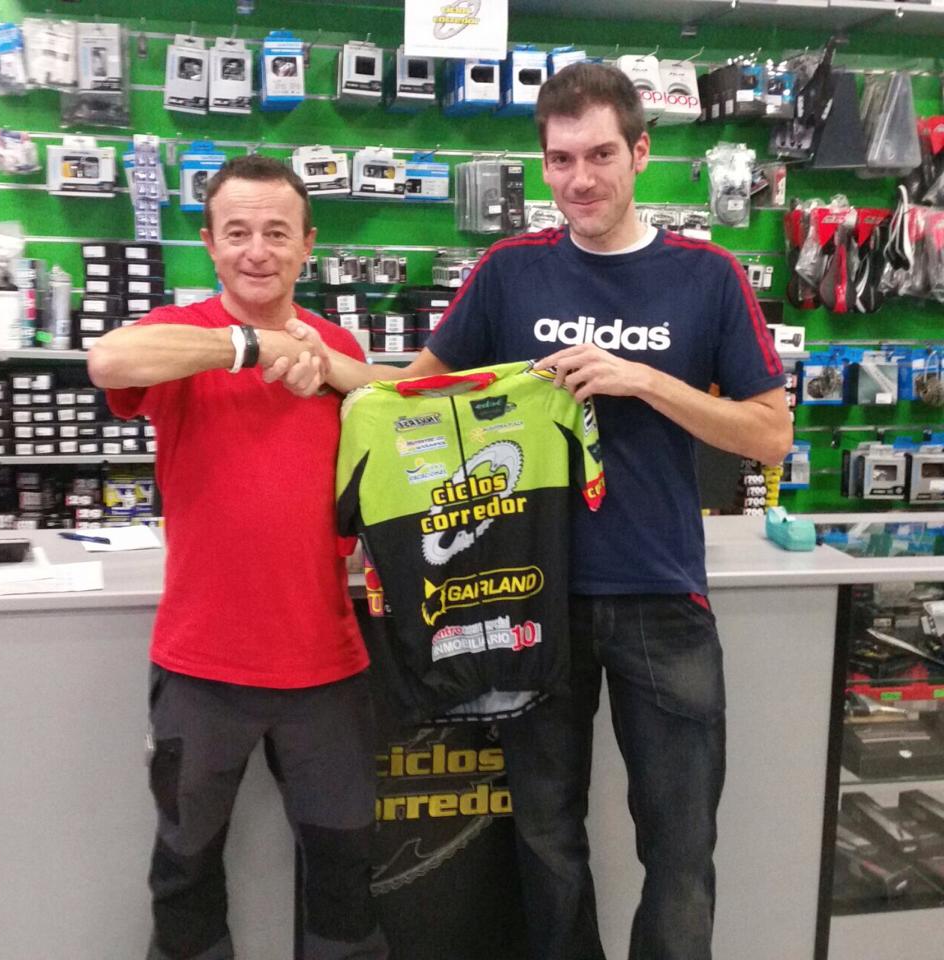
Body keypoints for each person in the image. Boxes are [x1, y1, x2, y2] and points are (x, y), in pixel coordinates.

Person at [274, 62, 793, 960]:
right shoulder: (511, 271)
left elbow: (771, 435)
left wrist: (643, 381)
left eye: (600, 155)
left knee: (680, 850)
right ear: (542, 164)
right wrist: (322, 366)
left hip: (661, 599)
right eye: (560, 160)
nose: (579, 179)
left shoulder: (706, 277)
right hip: (525, 597)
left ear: (641, 153)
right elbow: (411, 396)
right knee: (547, 837)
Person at [87, 154, 388, 960]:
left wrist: (330, 368)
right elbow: (108, 362)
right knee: (184, 876)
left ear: (308, 245)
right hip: (201, 669)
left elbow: (395, 407)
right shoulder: (179, 334)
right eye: (239, 232)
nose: (258, 251)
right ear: (210, 243)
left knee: (346, 881)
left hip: (325, 667)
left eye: (277, 233)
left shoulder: (333, 344)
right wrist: (248, 346)